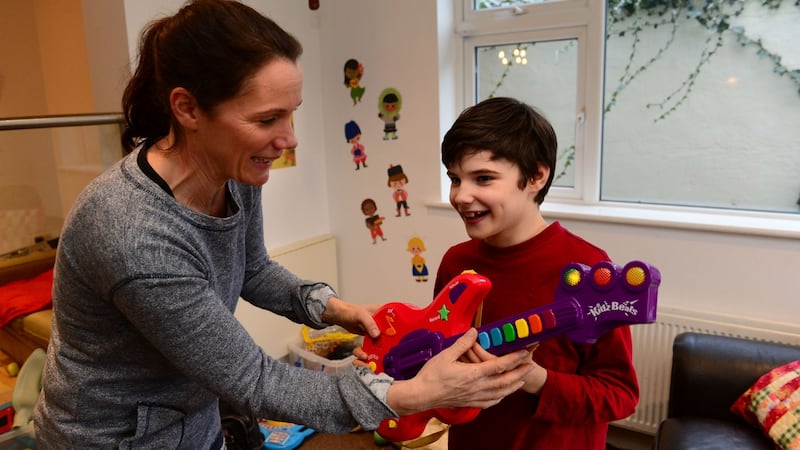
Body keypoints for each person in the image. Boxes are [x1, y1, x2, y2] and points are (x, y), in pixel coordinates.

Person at [31, 2, 534, 448]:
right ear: (187, 108)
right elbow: (255, 380)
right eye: (267, 119)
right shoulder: (132, 233)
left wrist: (335, 309)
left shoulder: (235, 171)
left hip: (193, 419)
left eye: (291, 115)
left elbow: (253, 268)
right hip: (111, 437)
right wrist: (410, 395)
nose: (289, 139)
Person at [437, 97, 639, 450]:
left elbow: (619, 395)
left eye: (483, 178)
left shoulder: (591, 270)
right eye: (455, 178)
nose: (461, 195)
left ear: (536, 176)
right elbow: (442, 354)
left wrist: (534, 378)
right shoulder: (455, 263)